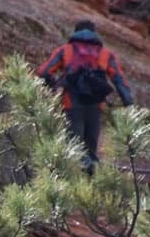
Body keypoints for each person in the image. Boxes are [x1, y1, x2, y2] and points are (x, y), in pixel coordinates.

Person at [38, 20, 134, 171]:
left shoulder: (65, 50)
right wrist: (129, 103)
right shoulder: (105, 54)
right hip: (95, 107)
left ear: (75, 32)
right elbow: (119, 79)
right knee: (91, 152)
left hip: (71, 105)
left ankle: (72, 185)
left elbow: (43, 72)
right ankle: (90, 185)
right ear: (95, 33)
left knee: (74, 149)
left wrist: (53, 86)